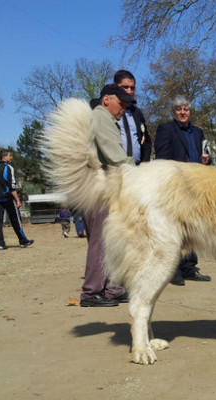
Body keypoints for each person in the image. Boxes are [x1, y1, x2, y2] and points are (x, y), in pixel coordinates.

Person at [80, 83, 135, 307]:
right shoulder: (101, 117)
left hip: (103, 185)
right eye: (121, 104)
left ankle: (113, 288)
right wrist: (140, 171)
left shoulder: (104, 117)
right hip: (98, 187)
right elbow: (115, 156)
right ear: (106, 100)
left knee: (110, 239)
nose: (123, 109)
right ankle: (91, 293)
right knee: (100, 241)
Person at [154, 96, 212, 286]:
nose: (182, 112)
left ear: (190, 111)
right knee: (176, 228)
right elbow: (162, 157)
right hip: (176, 186)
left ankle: (189, 267)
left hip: (196, 186)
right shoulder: (166, 129)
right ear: (173, 111)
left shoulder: (198, 132)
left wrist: (206, 161)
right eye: (179, 109)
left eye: (185, 109)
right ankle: (174, 269)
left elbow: (206, 157)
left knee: (193, 227)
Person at [0, 150, 34, 250]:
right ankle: (23, 241)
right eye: (10, 155)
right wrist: (17, 199)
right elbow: (11, 185)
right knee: (15, 219)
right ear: (4, 156)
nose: (11, 157)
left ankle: (1, 244)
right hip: (7, 198)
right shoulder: (8, 168)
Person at [113, 70, 152, 164]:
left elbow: (146, 140)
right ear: (114, 85)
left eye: (132, 88)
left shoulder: (137, 112)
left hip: (136, 170)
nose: (129, 91)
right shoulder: (106, 110)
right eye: (125, 87)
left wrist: (144, 161)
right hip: (114, 168)